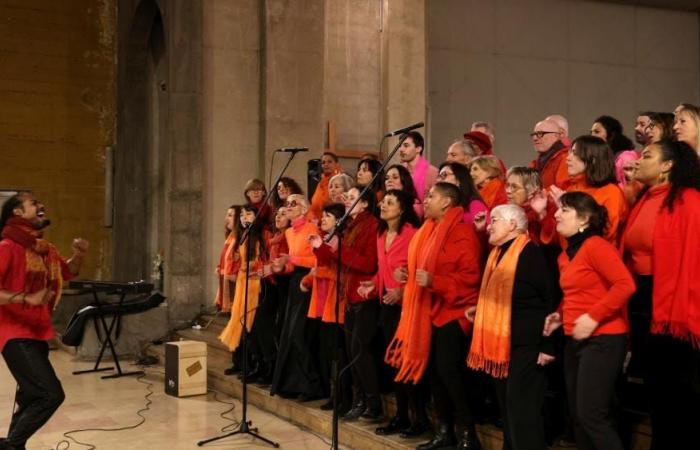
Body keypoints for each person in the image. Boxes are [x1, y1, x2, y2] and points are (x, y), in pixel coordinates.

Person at [386, 182, 483, 450]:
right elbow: (421, 266)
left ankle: (467, 433)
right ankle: (443, 431)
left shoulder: (462, 233)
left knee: (449, 372)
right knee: (436, 375)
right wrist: (406, 274)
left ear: (448, 202)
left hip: (455, 310)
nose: (425, 200)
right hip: (431, 308)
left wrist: (434, 281)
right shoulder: (428, 231)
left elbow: (470, 277)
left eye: (432, 196)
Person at [619, 139, 700, 449]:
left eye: (647, 156)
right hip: (642, 298)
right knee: (656, 388)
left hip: (675, 303)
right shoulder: (644, 199)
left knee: (677, 391)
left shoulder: (689, 201)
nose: (638, 161)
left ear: (668, 165)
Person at [543, 192, 635, 450]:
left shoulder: (596, 246)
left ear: (583, 218)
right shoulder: (566, 255)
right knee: (578, 416)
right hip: (576, 339)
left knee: (591, 415)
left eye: (564, 210)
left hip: (604, 339)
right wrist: (559, 316)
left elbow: (625, 285)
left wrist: (594, 317)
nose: (556, 214)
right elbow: (576, 293)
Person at [0, 192, 88, 450]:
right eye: (33, 203)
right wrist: (27, 298)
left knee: (30, 397)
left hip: (38, 333)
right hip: (13, 333)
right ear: (17, 212)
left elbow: (69, 270)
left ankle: (12, 444)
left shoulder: (44, 249)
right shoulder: (7, 247)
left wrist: (79, 254)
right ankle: (12, 446)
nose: (41, 205)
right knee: (50, 394)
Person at [467, 204, 556, 450]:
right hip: (504, 344)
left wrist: (548, 345)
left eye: (495, 220)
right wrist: (483, 309)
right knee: (508, 410)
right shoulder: (497, 253)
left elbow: (550, 300)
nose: (489, 225)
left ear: (513, 225)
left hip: (528, 344)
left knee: (522, 412)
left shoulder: (531, 253)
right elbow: (503, 295)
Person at [357, 190, 429, 438]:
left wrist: (401, 291)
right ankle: (401, 415)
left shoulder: (412, 234)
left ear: (402, 208)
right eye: (383, 201)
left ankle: (419, 418)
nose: (383, 205)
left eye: (389, 202)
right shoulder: (381, 233)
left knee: (406, 364)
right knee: (393, 364)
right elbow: (383, 269)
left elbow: (418, 271)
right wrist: (373, 284)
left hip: (407, 308)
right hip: (386, 306)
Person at [270, 194, 324, 400]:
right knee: (289, 334)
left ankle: (313, 385)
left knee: (299, 334)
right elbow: (294, 261)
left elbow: (316, 260)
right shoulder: (290, 232)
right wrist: (283, 265)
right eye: (287, 203)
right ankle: (293, 384)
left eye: (294, 204)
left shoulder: (312, 228)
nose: (289, 206)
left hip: (308, 283)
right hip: (294, 281)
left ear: (303, 209)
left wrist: (291, 259)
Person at [338, 187, 383, 421]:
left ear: (365, 204)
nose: (347, 200)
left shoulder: (371, 225)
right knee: (350, 351)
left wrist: (340, 250)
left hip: (365, 297)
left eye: (352, 197)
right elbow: (341, 260)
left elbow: (368, 264)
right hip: (349, 296)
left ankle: (373, 402)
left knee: (360, 351)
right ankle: (359, 400)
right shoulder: (349, 225)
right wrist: (322, 248)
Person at [302, 203, 352, 411]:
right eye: (322, 216)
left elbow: (336, 272)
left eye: (328, 216)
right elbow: (320, 267)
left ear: (339, 220)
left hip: (336, 302)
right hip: (323, 303)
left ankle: (344, 398)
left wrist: (316, 272)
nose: (323, 219)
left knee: (340, 353)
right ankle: (334, 395)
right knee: (330, 352)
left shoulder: (339, 240)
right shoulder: (327, 239)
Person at [540, 135, 627, 245]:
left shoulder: (611, 193)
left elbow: (604, 234)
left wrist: (565, 209)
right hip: (567, 258)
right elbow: (555, 238)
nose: (568, 158)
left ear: (593, 160)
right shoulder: (569, 188)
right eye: (570, 152)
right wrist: (541, 213)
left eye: (575, 154)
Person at [219, 204, 270, 381]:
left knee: (255, 326)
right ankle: (254, 365)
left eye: (248, 214)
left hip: (256, 284)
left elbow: (267, 259)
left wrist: (254, 265)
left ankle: (264, 367)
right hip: (243, 282)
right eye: (241, 215)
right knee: (244, 325)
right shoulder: (243, 235)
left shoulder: (262, 235)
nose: (244, 217)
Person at [214, 205, 241, 313]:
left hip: (234, 281)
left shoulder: (240, 238)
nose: (226, 219)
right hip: (226, 280)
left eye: (230, 215)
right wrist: (219, 267)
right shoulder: (230, 237)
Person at [529, 119, 569, 189]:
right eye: (534, 134)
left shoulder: (566, 159)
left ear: (556, 135)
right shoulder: (536, 163)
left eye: (540, 134)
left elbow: (561, 190)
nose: (535, 138)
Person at [399, 131, 438, 204]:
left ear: (418, 149)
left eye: (406, 145)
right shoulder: (400, 171)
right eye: (400, 146)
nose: (401, 149)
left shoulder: (432, 172)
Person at [309, 152, 342, 221]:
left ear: (337, 164)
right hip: (316, 220)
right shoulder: (321, 182)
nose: (326, 164)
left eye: (329, 162)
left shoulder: (340, 180)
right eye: (323, 163)